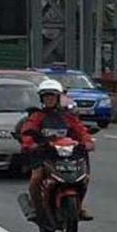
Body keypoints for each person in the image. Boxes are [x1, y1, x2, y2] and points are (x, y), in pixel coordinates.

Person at [20, 79, 94, 222]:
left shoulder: (68, 116)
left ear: (58, 98)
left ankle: (78, 207)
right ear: (42, 98)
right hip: (44, 154)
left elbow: (81, 131)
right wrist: (30, 144)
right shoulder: (36, 116)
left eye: (52, 96)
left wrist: (87, 142)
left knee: (84, 177)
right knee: (36, 178)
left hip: (67, 155)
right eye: (46, 96)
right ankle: (36, 208)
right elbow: (27, 132)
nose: (49, 99)